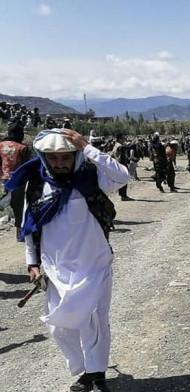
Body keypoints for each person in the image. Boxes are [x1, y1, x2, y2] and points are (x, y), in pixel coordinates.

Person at [5, 128, 129, 392]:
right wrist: (32, 263)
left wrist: (86, 147)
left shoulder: (92, 177)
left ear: (76, 156)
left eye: (66, 157)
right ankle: (85, 368)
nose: (59, 163)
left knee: (95, 322)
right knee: (60, 326)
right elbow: (30, 226)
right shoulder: (37, 184)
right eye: (53, 158)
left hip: (94, 263)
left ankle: (95, 374)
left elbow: (122, 176)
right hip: (55, 267)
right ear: (43, 157)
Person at [0, 121, 32, 239]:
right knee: (20, 205)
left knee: (11, 202)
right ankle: (20, 233)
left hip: (5, 178)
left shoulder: (1, 145)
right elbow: (26, 165)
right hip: (19, 180)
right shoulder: (22, 148)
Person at [110, 134, 133, 201]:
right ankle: (124, 196)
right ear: (119, 139)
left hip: (118, 165)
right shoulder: (119, 146)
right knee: (124, 180)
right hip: (121, 165)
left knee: (121, 180)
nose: (124, 139)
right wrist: (130, 146)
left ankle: (123, 195)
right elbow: (121, 148)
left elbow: (111, 154)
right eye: (123, 138)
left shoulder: (116, 145)